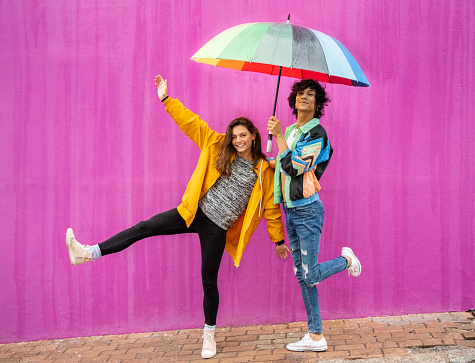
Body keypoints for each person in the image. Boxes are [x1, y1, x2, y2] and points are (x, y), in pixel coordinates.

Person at [66, 75, 290, 359]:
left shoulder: (264, 170)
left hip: (217, 228)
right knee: (144, 227)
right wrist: (166, 99)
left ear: (254, 135)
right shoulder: (217, 144)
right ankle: (89, 252)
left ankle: (209, 335)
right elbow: (191, 123)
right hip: (193, 213)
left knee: (208, 280)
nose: (238, 141)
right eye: (234, 136)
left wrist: (278, 240)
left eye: (243, 135)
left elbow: (271, 209)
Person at [267, 79, 362, 352]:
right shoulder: (291, 130)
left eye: (311, 95)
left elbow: (295, 167)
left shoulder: (316, 133)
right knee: (301, 273)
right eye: (300, 93)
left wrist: (281, 141)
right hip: (291, 209)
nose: (304, 98)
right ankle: (316, 336)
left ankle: (346, 260)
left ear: (318, 104)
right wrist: (273, 159)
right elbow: (283, 167)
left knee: (310, 275)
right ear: (293, 100)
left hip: (307, 211)